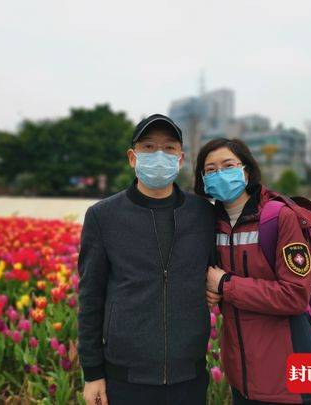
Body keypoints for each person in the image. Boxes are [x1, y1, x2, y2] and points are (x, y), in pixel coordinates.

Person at [78, 114, 215, 405]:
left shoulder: (202, 214)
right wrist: (92, 373)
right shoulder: (103, 216)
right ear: (132, 157)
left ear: (180, 159)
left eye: (169, 148)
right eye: (149, 147)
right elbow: (90, 298)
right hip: (125, 379)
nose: (159, 155)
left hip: (189, 377)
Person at [196, 138, 311, 405]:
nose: (220, 174)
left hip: (287, 376)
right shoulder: (211, 224)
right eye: (210, 170)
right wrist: (211, 291)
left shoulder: (279, 218)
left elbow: (294, 295)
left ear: (246, 171)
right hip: (241, 376)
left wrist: (225, 285)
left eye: (228, 166)